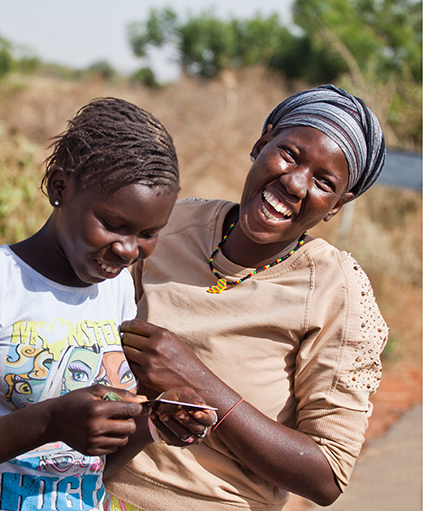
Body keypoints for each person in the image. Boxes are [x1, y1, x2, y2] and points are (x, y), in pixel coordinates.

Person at [0, 97, 215, 511]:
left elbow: (95, 461)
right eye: (112, 225)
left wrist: (153, 424)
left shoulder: (114, 290)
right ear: (61, 187)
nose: (129, 249)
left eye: (149, 232)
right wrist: (48, 422)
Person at [102, 84, 389, 510]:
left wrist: (195, 379)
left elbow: (326, 476)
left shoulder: (335, 289)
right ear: (261, 142)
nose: (294, 183)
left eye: (324, 182)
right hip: (93, 494)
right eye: (290, 154)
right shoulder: (170, 224)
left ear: (336, 206)